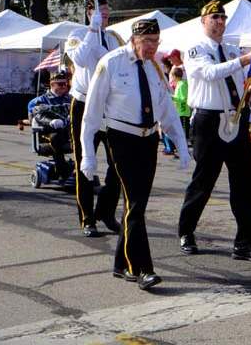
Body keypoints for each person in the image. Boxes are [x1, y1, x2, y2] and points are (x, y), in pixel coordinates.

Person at [79, 18, 190, 291]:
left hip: (148, 139)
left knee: (134, 204)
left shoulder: (155, 68)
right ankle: (140, 268)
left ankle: (120, 262)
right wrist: (87, 154)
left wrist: (181, 144)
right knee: (135, 202)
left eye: (156, 41)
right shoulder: (112, 63)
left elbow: (166, 108)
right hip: (121, 138)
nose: (152, 47)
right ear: (134, 40)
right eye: (147, 42)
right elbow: (91, 114)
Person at [177, 0, 251, 263]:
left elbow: (241, 78)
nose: (219, 22)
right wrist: (243, 59)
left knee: (243, 184)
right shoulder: (195, 50)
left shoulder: (230, 50)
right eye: (214, 18)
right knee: (203, 181)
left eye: (222, 17)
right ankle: (186, 230)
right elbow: (209, 73)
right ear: (203, 21)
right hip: (208, 121)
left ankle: (244, 242)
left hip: (235, 118)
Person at [64, 0, 121, 237]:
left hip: (109, 105)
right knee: (85, 163)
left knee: (118, 164)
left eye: (107, 14)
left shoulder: (114, 38)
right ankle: (87, 218)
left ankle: (106, 212)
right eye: (101, 14)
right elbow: (80, 59)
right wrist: (92, 30)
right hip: (84, 103)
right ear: (89, 13)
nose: (105, 17)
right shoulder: (77, 35)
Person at [28, 70, 73, 182]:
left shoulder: (70, 99)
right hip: (48, 132)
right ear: (52, 84)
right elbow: (38, 115)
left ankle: (83, 170)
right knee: (56, 138)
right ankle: (62, 171)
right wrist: (51, 121)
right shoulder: (41, 100)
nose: (64, 87)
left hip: (68, 130)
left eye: (65, 84)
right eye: (60, 84)